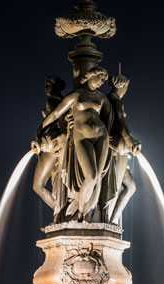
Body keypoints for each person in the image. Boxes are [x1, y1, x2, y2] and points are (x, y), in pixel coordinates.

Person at [37, 66, 113, 220]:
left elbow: (109, 119)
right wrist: (41, 128)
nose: (101, 82)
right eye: (100, 78)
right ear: (91, 75)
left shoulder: (101, 98)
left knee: (98, 178)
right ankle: (81, 211)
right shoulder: (76, 95)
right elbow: (57, 113)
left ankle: (87, 214)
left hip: (101, 136)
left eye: (104, 80)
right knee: (90, 176)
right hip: (82, 137)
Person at [101, 74, 141, 224]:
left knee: (130, 186)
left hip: (114, 148)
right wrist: (130, 142)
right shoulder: (115, 102)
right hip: (116, 151)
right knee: (118, 187)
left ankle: (113, 219)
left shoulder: (105, 100)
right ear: (123, 87)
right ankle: (109, 219)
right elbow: (121, 124)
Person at [32, 76, 67, 210]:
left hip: (51, 145)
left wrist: (41, 130)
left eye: (49, 84)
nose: (46, 87)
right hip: (58, 144)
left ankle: (60, 212)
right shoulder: (65, 102)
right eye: (46, 84)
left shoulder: (52, 100)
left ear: (57, 86)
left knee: (38, 185)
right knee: (57, 182)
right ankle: (61, 212)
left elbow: (55, 117)